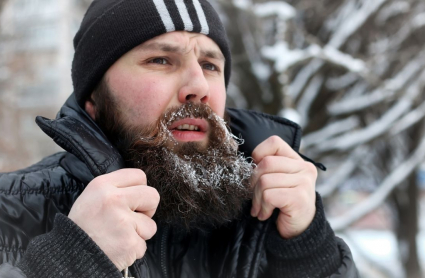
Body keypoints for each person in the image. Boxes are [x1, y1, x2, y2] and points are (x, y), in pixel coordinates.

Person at [0, 0, 358, 277]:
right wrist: (67, 262)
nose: (198, 87)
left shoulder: (270, 215)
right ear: (94, 97)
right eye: (160, 59)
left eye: (210, 65)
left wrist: (310, 250)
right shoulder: (10, 211)